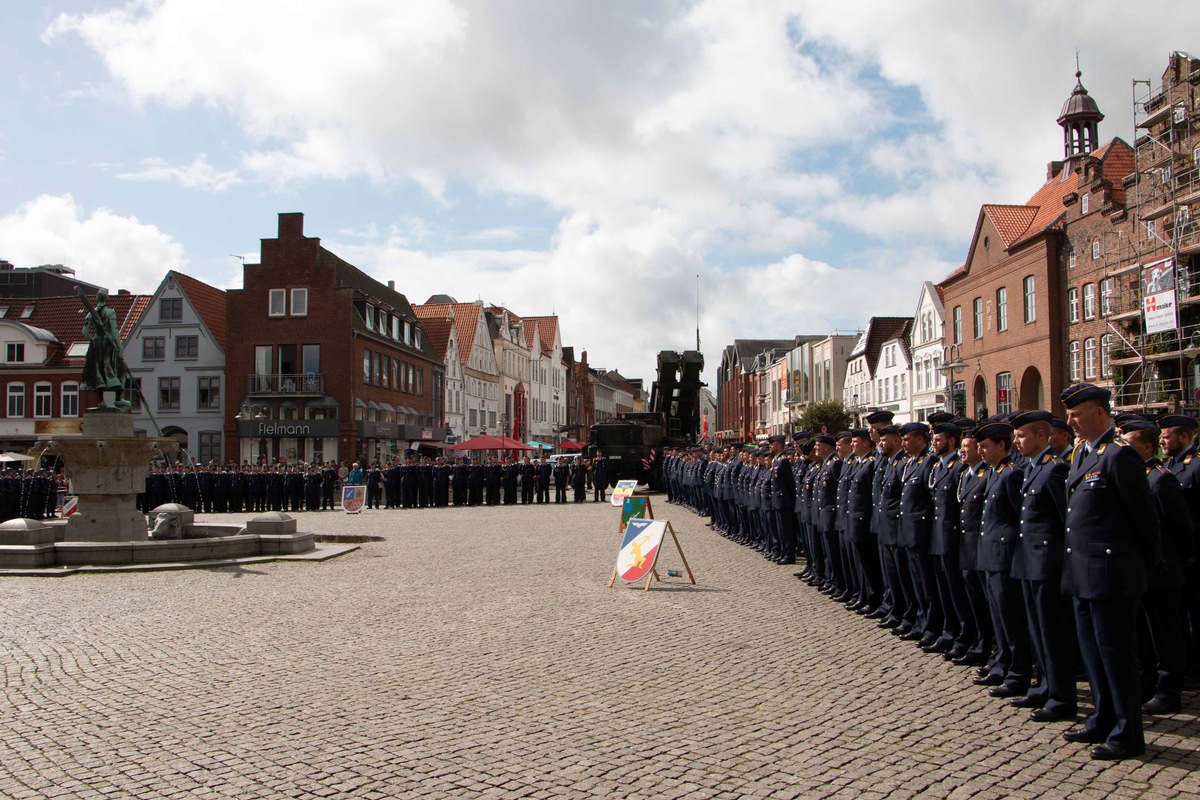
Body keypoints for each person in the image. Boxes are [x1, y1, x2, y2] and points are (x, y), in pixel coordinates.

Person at [1059, 382, 1161, 760]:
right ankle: (1102, 718)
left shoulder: (1119, 456)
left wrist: (1141, 566)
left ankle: (1127, 733)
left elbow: (1144, 518)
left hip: (1112, 573)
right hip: (1084, 572)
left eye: (1076, 413)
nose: (1070, 421)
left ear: (1099, 412)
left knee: (1117, 655)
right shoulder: (1083, 455)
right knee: (1093, 653)